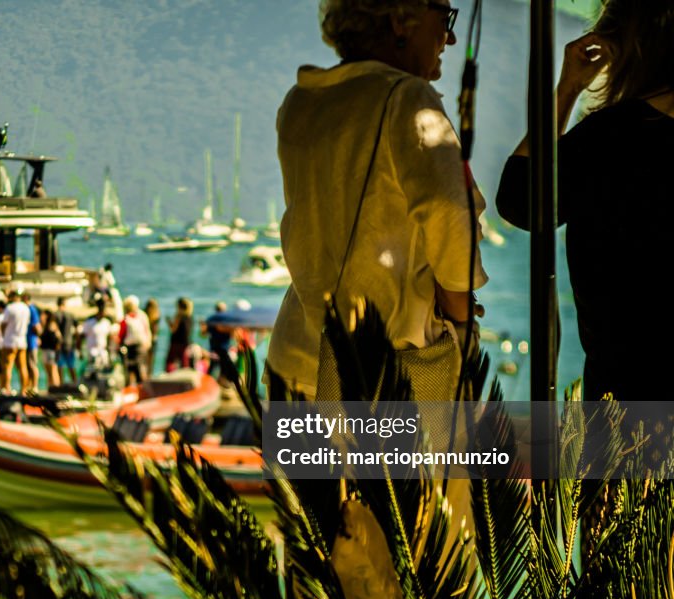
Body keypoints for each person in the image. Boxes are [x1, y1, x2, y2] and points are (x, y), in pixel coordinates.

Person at [266, 0, 487, 399]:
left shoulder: (300, 101)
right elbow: (452, 213)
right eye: (445, 18)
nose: (451, 38)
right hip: (379, 375)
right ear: (402, 19)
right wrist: (463, 322)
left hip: (296, 359)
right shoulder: (407, 98)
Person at [496, 0, 674, 402]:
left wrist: (567, 89)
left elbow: (520, 200)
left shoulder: (611, 139)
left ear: (626, 50)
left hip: (625, 408)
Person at [0, 290, 30, 394]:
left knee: (7, 367)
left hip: (10, 341)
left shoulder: (10, 308)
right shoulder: (26, 308)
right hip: (22, 340)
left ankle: (6, 389)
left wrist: (3, 336)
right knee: (23, 367)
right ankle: (24, 390)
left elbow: (3, 325)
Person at [118, 295, 151, 385]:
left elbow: (121, 334)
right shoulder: (142, 316)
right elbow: (147, 331)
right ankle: (141, 387)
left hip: (131, 348)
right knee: (139, 369)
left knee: (130, 370)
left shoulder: (126, 319)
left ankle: (133, 388)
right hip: (140, 346)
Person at [78, 299, 114, 372]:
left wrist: (110, 353)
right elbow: (82, 336)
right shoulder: (90, 322)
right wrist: (80, 351)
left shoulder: (106, 322)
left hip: (103, 354)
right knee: (92, 372)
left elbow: (109, 338)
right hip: (92, 353)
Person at [202, 301, 232, 381]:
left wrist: (203, 326)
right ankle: (221, 384)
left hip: (214, 347)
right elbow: (231, 334)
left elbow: (203, 334)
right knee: (223, 369)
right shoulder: (227, 320)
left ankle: (207, 384)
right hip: (224, 348)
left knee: (212, 368)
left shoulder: (211, 319)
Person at [165, 297, 194, 372]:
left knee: (170, 361)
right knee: (184, 361)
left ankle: (169, 377)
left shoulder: (179, 316)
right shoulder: (190, 317)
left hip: (176, 342)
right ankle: (184, 377)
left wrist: (168, 321)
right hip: (186, 342)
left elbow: (173, 329)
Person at [55, 297, 78, 384]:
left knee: (60, 366)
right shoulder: (70, 315)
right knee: (71, 365)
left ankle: (61, 384)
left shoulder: (56, 315)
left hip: (59, 344)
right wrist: (76, 341)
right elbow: (77, 329)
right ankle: (75, 383)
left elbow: (55, 329)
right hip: (69, 343)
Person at [22, 292, 42, 393]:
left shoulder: (31, 309)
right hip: (26, 341)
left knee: (32, 364)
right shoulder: (27, 309)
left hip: (31, 341)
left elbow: (37, 326)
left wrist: (38, 337)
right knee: (27, 365)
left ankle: (35, 386)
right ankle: (29, 386)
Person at [39, 309, 62, 388]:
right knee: (49, 371)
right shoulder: (45, 325)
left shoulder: (52, 325)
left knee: (53, 370)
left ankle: (55, 387)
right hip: (46, 350)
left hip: (51, 350)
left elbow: (58, 338)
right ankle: (50, 386)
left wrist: (57, 350)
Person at [144, 298, 161, 376]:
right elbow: (155, 330)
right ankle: (149, 375)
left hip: (147, 339)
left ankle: (146, 375)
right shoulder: (157, 315)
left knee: (145, 360)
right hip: (153, 339)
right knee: (150, 360)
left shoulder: (145, 315)